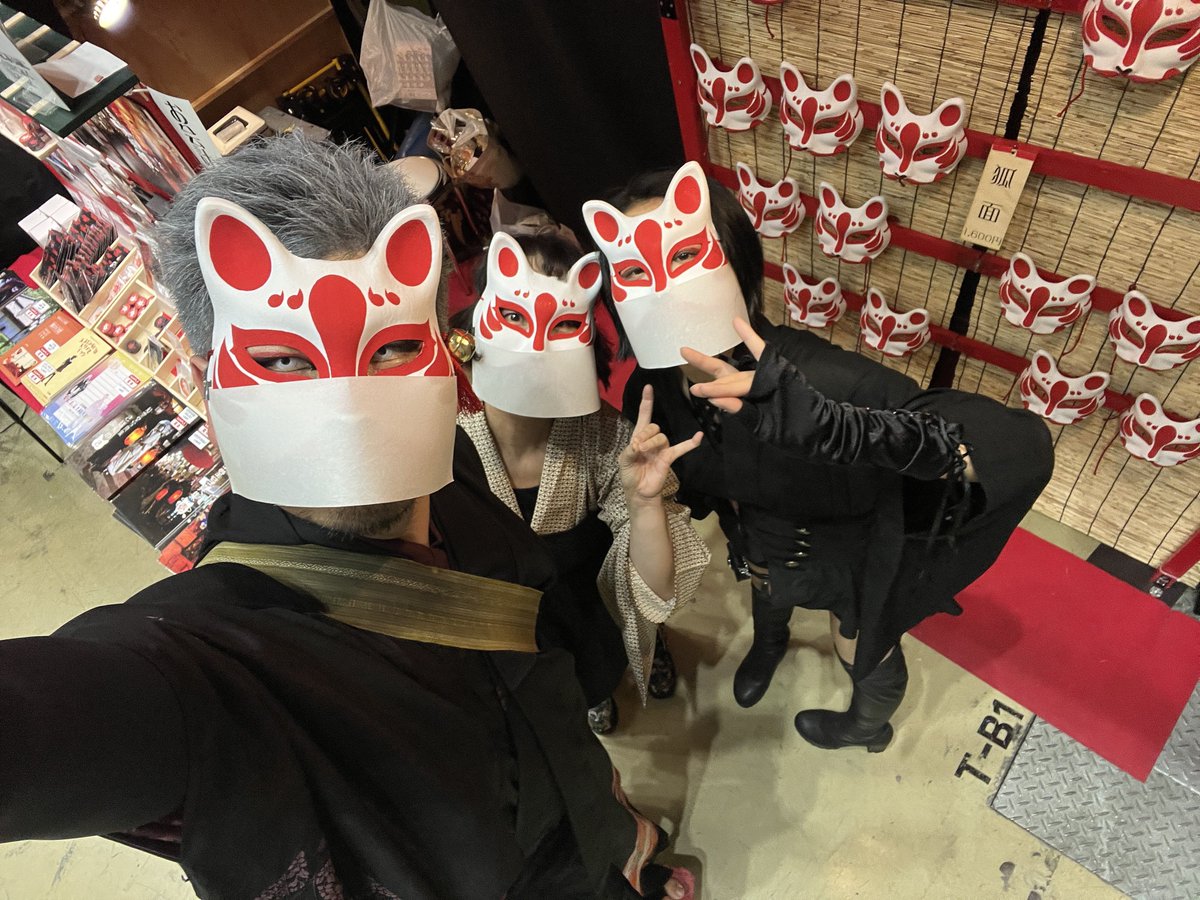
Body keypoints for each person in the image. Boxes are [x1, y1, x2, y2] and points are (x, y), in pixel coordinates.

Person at [0, 137, 693, 900]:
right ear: (207, 382)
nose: (349, 406)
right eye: (283, 359)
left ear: (445, 350)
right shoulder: (213, 663)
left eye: (392, 348)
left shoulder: (461, 472)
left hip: (590, 826)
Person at [584, 161, 1053, 752]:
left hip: (847, 557)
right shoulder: (651, 395)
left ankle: (868, 725)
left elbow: (1018, 448)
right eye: (634, 271)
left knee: (860, 647)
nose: (661, 291)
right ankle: (770, 644)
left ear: (735, 261)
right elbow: (672, 540)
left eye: (682, 258)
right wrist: (647, 503)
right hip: (757, 550)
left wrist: (840, 429)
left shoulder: (813, 376)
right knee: (766, 593)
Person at [450, 228, 710, 734]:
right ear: (475, 325)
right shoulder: (443, 435)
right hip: (505, 622)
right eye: (514, 315)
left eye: (565, 324)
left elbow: (658, 584)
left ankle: (625, 668)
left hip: (588, 608)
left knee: (601, 658)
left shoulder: (605, 441)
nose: (536, 346)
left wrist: (644, 504)